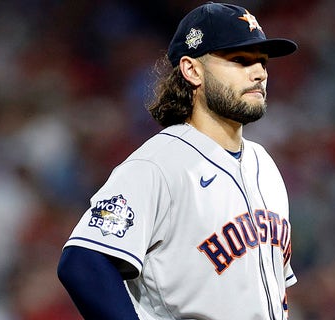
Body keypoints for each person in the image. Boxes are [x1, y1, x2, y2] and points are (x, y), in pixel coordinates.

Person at [57, 2, 298, 319]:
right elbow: (82, 263)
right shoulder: (158, 164)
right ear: (192, 70)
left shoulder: (264, 165)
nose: (259, 73)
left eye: (262, 61)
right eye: (240, 60)